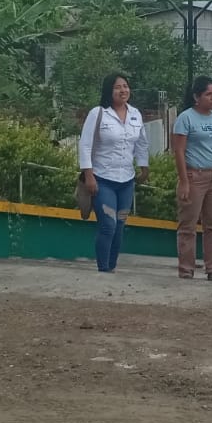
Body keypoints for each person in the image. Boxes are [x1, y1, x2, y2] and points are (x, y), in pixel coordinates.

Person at [78, 73, 150, 273]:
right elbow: (85, 145)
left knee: (119, 224)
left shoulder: (135, 114)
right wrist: (89, 175)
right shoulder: (98, 113)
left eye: (125, 86)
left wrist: (144, 167)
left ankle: (111, 267)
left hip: (126, 181)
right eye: (118, 87)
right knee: (108, 224)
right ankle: (103, 269)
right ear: (109, 91)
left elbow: (142, 143)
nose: (123, 90)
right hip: (103, 180)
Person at [172, 76, 212, 281]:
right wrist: (184, 181)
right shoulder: (185, 118)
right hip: (195, 175)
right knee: (188, 225)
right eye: (208, 94)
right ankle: (186, 270)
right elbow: (179, 151)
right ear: (197, 97)